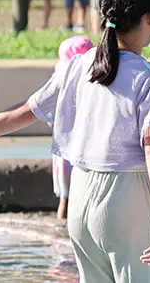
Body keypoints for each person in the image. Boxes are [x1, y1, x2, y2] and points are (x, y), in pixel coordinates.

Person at [0, 0, 150, 282]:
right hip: (126, 200)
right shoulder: (148, 78)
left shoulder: (79, 65)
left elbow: (27, 110)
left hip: (80, 200)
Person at [52, 35, 94, 219]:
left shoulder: (60, 83)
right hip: (85, 151)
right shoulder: (95, 84)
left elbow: (51, 119)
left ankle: (61, 232)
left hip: (63, 151)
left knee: (65, 199)